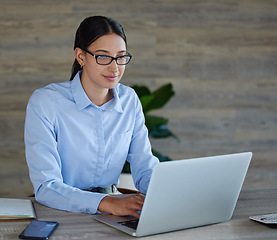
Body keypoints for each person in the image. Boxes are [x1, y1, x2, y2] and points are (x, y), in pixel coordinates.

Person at [24, 16, 159, 218]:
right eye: (103, 57)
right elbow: (47, 187)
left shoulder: (129, 99)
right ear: (80, 56)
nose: (115, 68)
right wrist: (108, 203)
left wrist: (166, 194)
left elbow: (145, 167)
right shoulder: (46, 102)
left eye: (121, 57)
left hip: (114, 213)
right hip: (61, 212)